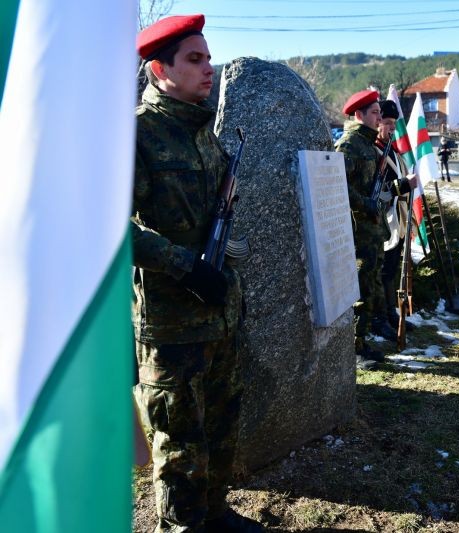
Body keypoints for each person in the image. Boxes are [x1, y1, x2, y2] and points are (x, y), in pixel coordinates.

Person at [132, 15, 262, 532]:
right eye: (194, 59)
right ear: (159, 69)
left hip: (220, 312)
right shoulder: (136, 135)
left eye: (208, 58)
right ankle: (183, 525)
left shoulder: (205, 132)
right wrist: (185, 266)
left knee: (222, 424)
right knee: (180, 440)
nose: (209, 68)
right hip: (171, 325)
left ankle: (215, 512)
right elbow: (109, 229)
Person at [335, 89, 393, 367]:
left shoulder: (368, 145)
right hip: (358, 231)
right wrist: (365, 204)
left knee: (369, 286)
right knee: (360, 288)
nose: (379, 118)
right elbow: (338, 186)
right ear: (358, 114)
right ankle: (354, 348)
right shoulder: (349, 145)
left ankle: (362, 340)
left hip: (372, 229)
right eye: (375, 113)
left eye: (380, 113)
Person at [375, 100, 416, 332]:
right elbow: (379, 190)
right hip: (383, 221)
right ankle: (380, 318)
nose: (392, 128)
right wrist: (405, 184)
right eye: (388, 122)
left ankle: (391, 313)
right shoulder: (375, 151)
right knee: (382, 272)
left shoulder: (392, 151)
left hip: (398, 219)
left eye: (394, 123)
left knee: (391, 269)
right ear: (378, 122)